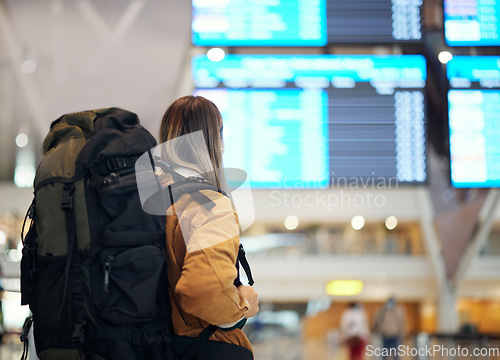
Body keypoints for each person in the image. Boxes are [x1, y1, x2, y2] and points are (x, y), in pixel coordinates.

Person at [158, 95, 259, 355]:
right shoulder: (209, 206)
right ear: (216, 141)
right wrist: (242, 305)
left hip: (154, 347)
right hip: (202, 348)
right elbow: (203, 290)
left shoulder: (150, 200)